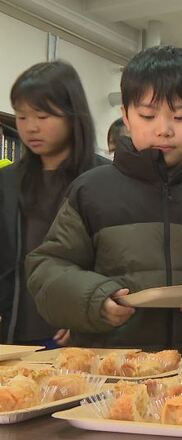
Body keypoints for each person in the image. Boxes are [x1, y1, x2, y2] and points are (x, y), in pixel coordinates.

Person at [25, 46, 182, 357]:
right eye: (147, 115)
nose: (163, 130)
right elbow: (47, 269)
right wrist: (95, 301)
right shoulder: (91, 190)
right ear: (126, 115)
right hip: (110, 372)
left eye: (180, 116)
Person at [0, 61, 109, 346]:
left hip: (85, 336)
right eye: (22, 117)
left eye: (43, 115)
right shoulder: (7, 182)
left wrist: (88, 315)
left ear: (73, 115)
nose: (31, 127)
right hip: (16, 334)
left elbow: (117, 263)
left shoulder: (105, 181)